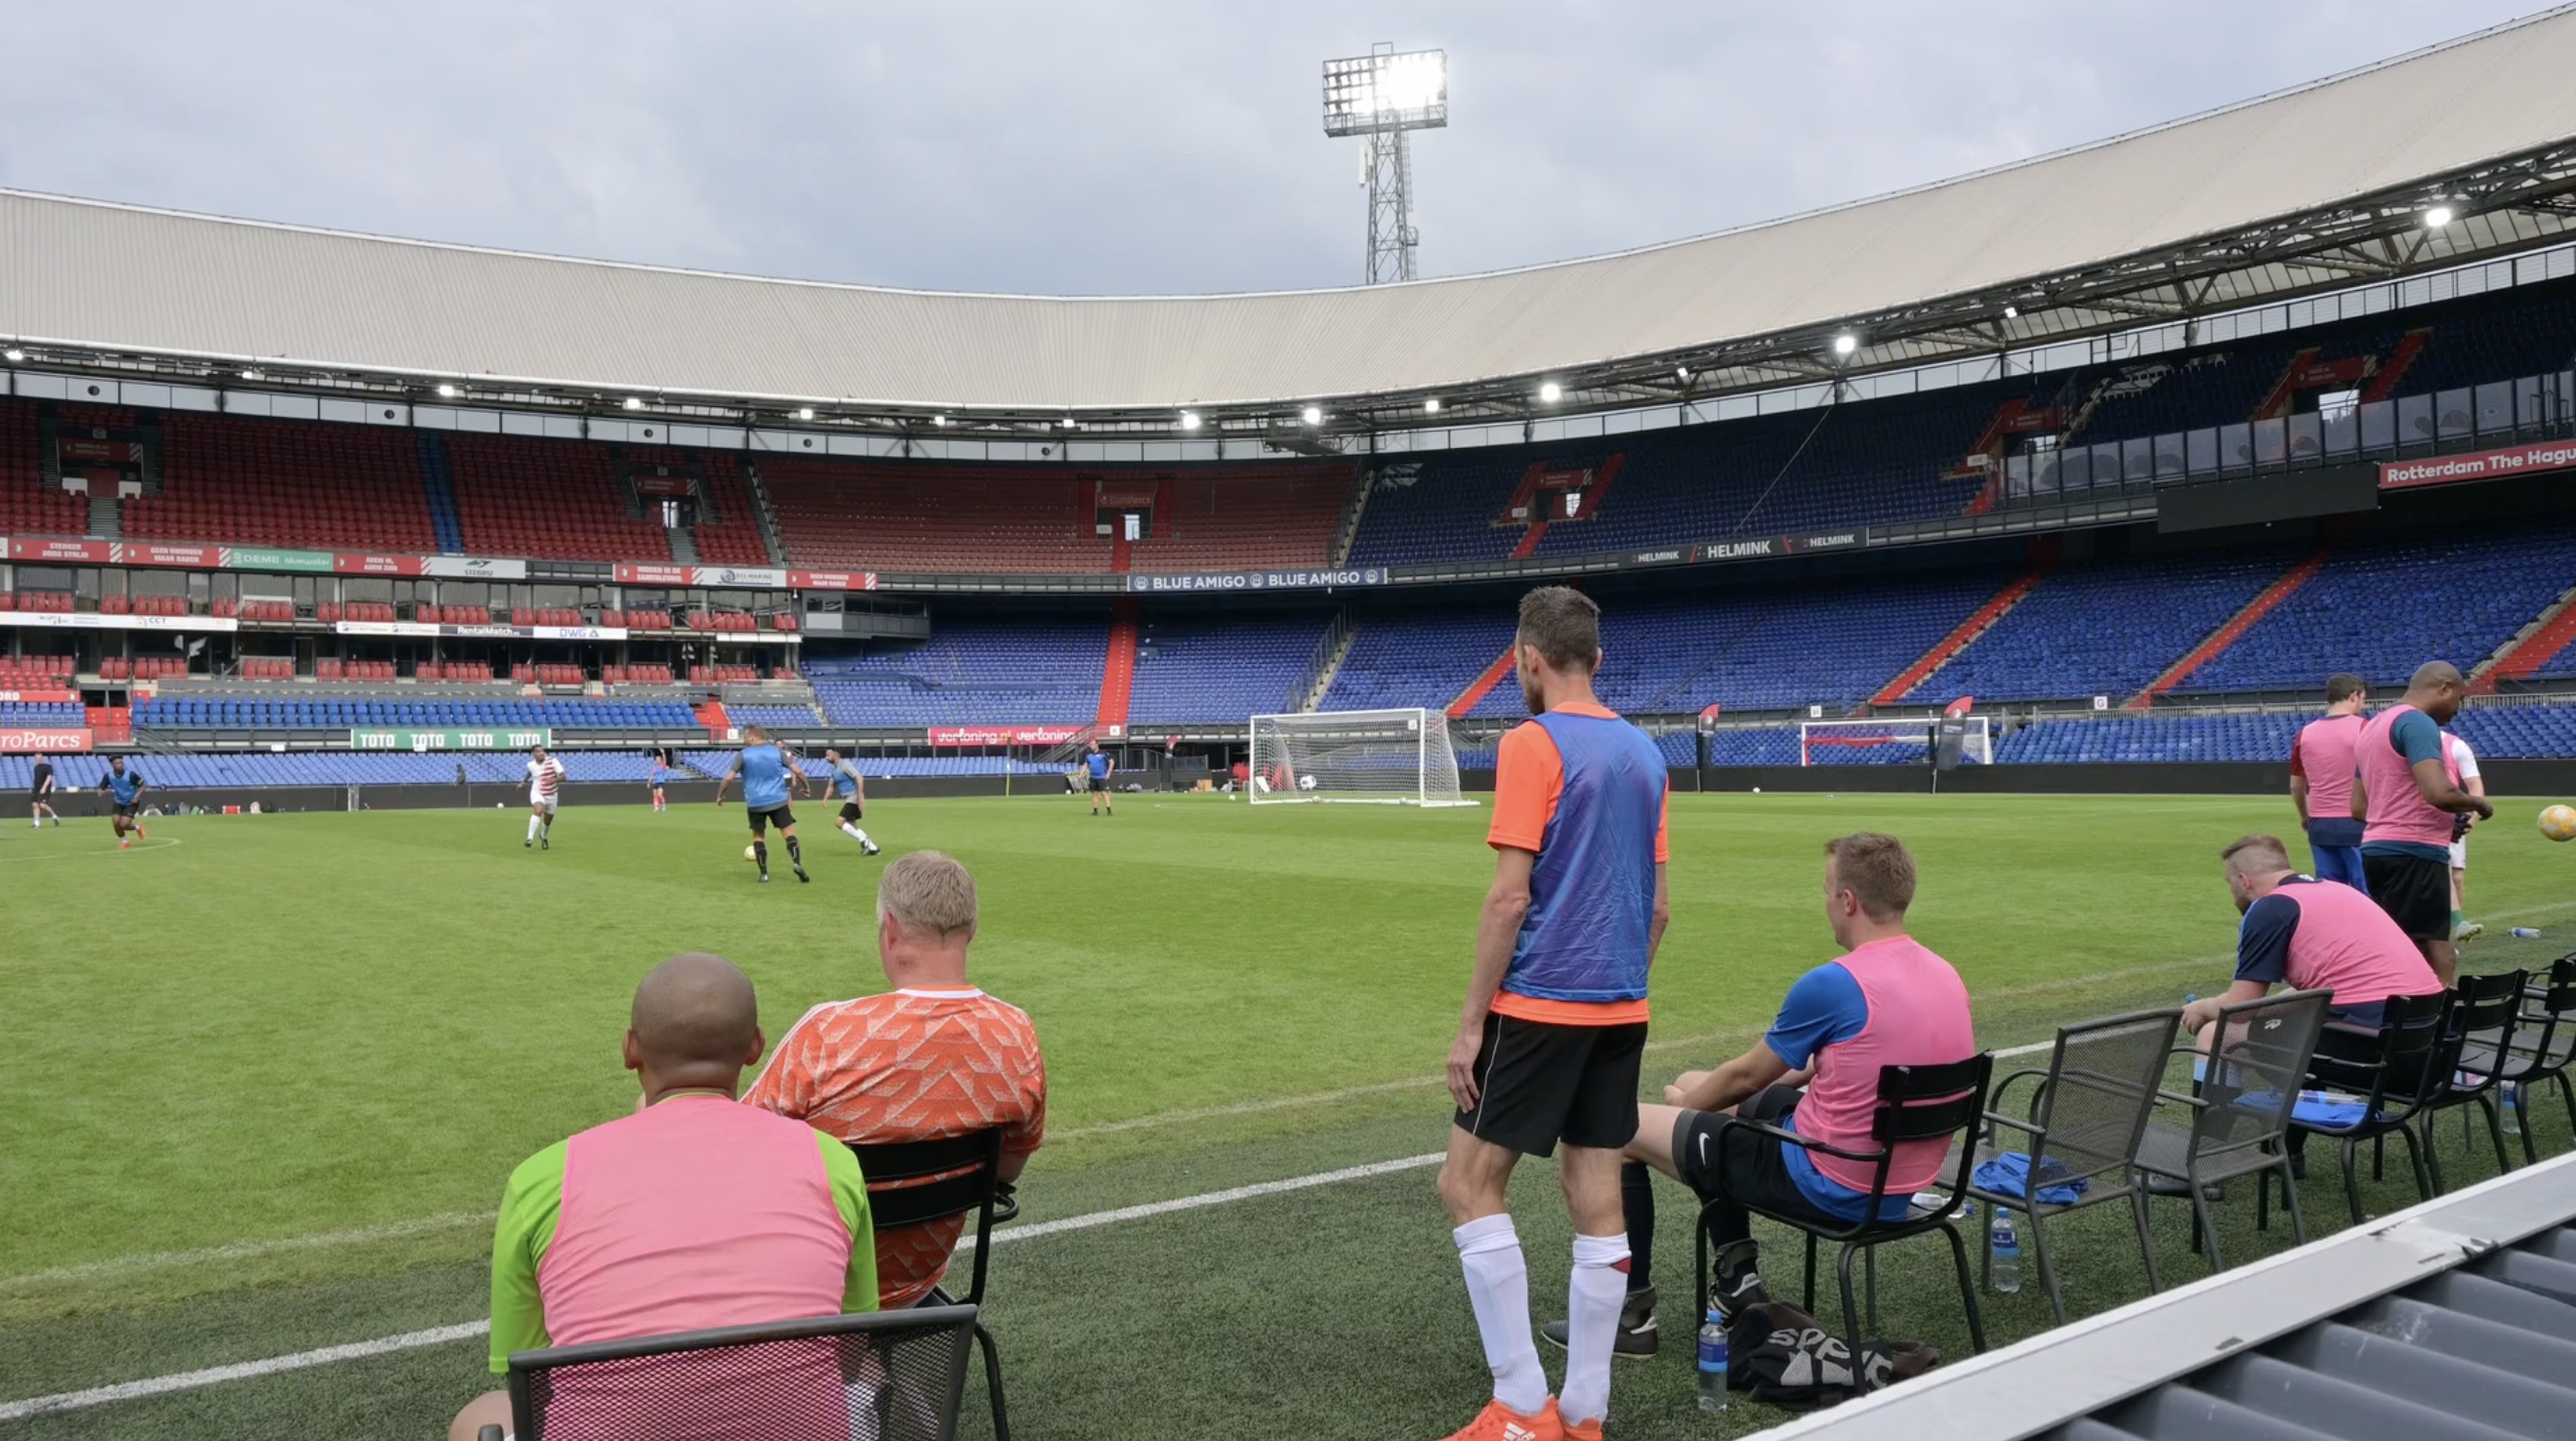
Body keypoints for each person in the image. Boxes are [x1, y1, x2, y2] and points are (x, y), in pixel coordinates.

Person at [446, 953, 877, 1441]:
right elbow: (850, 1352)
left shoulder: (540, 1180)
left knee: (480, 1416)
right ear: (756, 1047)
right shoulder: (832, 1162)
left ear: (631, 1050)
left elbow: (531, 1387)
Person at [1570, 834, 1973, 1356]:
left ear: (1848, 901)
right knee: (1695, 1084)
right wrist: (1694, 1100)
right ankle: (1738, 1281)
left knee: (1618, 1128)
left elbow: (1744, 1078)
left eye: (1827, 890)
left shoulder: (1835, 983)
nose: (1825, 902)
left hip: (1833, 1184)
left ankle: (1632, 1318)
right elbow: (1816, 1068)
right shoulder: (1946, 974)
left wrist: (1681, 1111)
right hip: (1899, 1182)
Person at [1435, 586, 1668, 1441]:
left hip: (1539, 1006)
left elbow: (1507, 901)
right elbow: (1660, 909)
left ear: (1528, 660)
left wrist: (1471, 1024)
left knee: (1467, 1184)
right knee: (1594, 1193)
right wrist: (1615, 987)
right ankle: (1585, 1413)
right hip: (1621, 1007)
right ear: (1595, 660)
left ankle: (1523, 1406)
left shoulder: (1530, 744)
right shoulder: (1647, 754)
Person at [745, 850, 1045, 1309]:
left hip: (815, 1292)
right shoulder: (1016, 1035)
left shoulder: (829, 1033)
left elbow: (733, 1154)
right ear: (972, 930)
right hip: (916, 1283)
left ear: (892, 928)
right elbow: (1006, 1169)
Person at [2181, 835, 2442, 1039]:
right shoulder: (2340, 891)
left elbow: (2239, 1007)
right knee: (2293, 1011)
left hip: (2371, 1036)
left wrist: (2201, 1008)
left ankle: (2238, 1109)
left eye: (2229, 883)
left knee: (2214, 1034)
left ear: (2244, 880)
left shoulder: (2272, 908)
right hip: (2427, 1026)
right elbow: (2324, 986)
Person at [2350, 661, 2491, 985]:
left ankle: (2394, 1020)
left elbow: (2358, 808)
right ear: (2443, 688)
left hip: (2376, 851)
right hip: (2416, 854)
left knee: (2399, 945)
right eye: (2459, 697)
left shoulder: (2371, 727)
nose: (2458, 709)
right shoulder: (2417, 723)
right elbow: (2438, 792)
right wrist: (2478, 803)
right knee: (2439, 951)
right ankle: (2432, 1025)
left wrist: (2443, 823)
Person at [2290, 675, 2369, 890]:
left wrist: (2304, 817)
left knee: (2331, 892)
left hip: (2319, 823)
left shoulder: (2305, 734)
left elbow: (2296, 786)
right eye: (2363, 699)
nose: (2363, 705)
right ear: (2353, 696)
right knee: (2367, 891)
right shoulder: (2365, 728)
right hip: (2356, 822)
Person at [715, 724, 809, 884]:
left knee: (758, 837)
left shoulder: (743, 755)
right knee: (789, 833)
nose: (744, 739)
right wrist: (806, 786)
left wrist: (720, 795)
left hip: (755, 802)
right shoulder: (777, 752)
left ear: (752, 737)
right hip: (778, 800)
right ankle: (797, 863)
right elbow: (798, 771)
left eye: (745, 736)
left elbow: (728, 778)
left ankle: (764, 874)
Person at [2444, 731, 2485, 942]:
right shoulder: (2406, 742)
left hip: (2452, 818)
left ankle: (2456, 929)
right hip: (2420, 821)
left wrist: (2472, 816)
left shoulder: (2456, 745)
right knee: (2438, 873)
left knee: (2457, 877)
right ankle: (2452, 925)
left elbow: (2475, 786)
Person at [821, 748, 881, 855]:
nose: (826, 757)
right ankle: (874, 848)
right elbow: (831, 786)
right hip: (847, 798)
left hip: (853, 797)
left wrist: (860, 797)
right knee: (853, 827)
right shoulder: (834, 770)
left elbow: (859, 778)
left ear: (835, 755)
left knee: (839, 823)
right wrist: (826, 798)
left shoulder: (845, 765)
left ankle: (864, 840)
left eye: (828, 755)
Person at [523, 744, 566, 849]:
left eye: (542, 751)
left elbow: (563, 777)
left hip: (551, 794)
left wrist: (553, 780)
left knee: (548, 820)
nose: (541, 753)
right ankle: (529, 838)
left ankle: (543, 836)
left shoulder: (553, 762)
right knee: (538, 810)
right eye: (538, 751)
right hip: (537, 792)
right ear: (533, 754)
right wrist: (523, 782)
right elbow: (530, 772)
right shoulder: (530, 764)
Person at [101, 757, 147, 848]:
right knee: (116, 823)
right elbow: (102, 786)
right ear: (112, 765)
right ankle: (125, 842)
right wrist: (101, 791)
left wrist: (136, 796)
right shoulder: (108, 776)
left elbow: (142, 786)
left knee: (124, 824)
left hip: (131, 802)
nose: (120, 765)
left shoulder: (131, 774)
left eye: (121, 763)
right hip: (118, 802)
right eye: (118, 763)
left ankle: (138, 827)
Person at [1083, 738, 1115, 816]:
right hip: (1092, 777)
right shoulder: (1088, 755)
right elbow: (1086, 764)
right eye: (1090, 744)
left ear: (1097, 745)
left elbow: (1111, 762)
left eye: (1093, 744)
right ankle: (1095, 811)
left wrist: (1108, 773)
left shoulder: (1103, 753)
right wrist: (1081, 773)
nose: (1091, 746)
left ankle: (1109, 810)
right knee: (1094, 794)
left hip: (1101, 777)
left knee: (1104, 793)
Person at [28, 752, 61, 827]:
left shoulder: (47, 766)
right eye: (37, 758)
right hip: (36, 789)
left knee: (42, 805)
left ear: (42, 758)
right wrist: (33, 787)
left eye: (39, 758)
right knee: (35, 805)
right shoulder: (35, 767)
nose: (38, 759)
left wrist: (44, 787)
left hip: (45, 789)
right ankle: (36, 822)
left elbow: (49, 777)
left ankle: (54, 816)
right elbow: (36, 779)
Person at [646, 745, 671, 814]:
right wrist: (648, 782)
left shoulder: (662, 766)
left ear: (661, 760)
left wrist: (663, 753)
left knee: (660, 795)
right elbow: (651, 775)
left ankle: (664, 806)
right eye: (656, 759)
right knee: (655, 796)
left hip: (661, 782)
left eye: (659, 759)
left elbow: (665, 760)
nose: (657, 760)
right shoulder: (654, 767)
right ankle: (656, 808)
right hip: (655, 782)